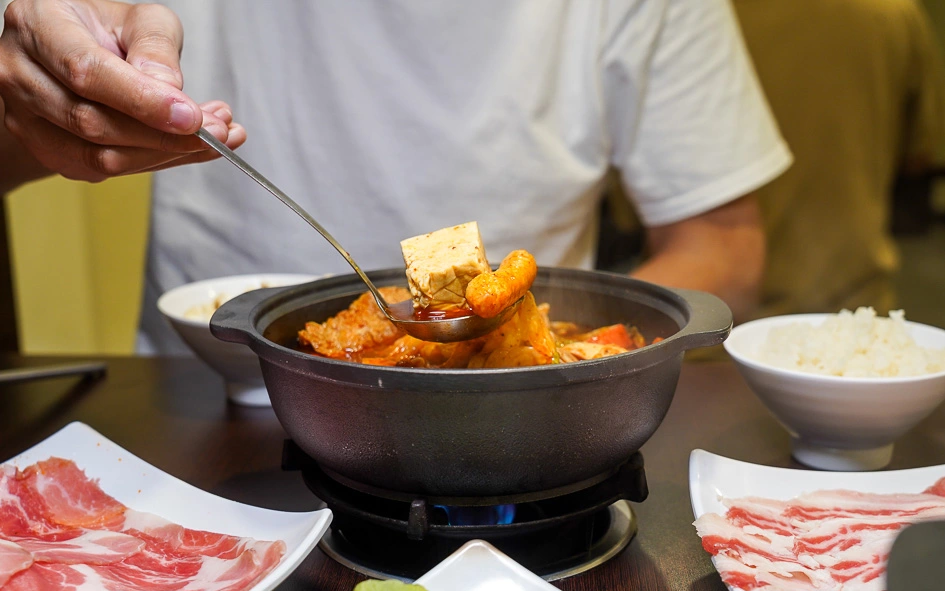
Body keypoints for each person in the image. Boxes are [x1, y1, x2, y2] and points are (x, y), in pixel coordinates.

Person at [0, 0, 792, 354]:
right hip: (199, 418)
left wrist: (580, 369)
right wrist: (30, 118)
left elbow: (723, 250)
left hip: (521, 427)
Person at [731, 0, 945, 319]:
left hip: (698, 334)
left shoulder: (684, 16)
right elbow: (921, 154)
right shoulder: (892, 12)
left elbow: (633, 207)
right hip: (852, 325)